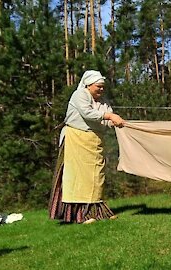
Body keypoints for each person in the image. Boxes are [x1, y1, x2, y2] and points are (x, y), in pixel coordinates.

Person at [48, 70, 125, 224]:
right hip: (77, 140)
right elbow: (88, 113)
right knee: (79, 178)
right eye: (98, 87)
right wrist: (110, 116)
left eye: (103, 87)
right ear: (88, 85)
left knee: (96, 177)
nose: (101, 90)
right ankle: (80, 215)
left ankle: (98, 212)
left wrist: (115, 122)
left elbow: (107, 115)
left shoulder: (103, 100)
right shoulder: (80, 95)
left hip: (94, 141)